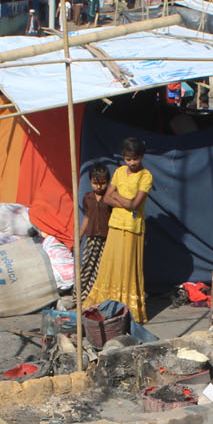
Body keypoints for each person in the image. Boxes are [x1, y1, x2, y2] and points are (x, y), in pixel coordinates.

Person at [83, 137, 152, 323]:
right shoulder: (120, 172)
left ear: (141, 157)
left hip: (132, 228)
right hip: (115, 224)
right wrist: (126, 202)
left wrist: (119, 199)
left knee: (128, 268)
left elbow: (135, 203)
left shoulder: (146, 176)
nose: (131, 163)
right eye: (128, 159)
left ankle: (126, 310)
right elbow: (107, 198)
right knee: (111, 265)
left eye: (135, 159)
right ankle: (106, 305)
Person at [78, 164, 113, 297]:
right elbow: (87, 217)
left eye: (102, 183)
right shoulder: (88, 198)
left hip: (107, 238)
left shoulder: (110, 198)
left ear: (108, 182)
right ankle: (82, 294)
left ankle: (99, 295)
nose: (99, 187)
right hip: (92, 237)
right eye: (95, 183)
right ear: (90, 182)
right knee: (87, 265)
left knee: (103, 267)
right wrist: (80, 235)